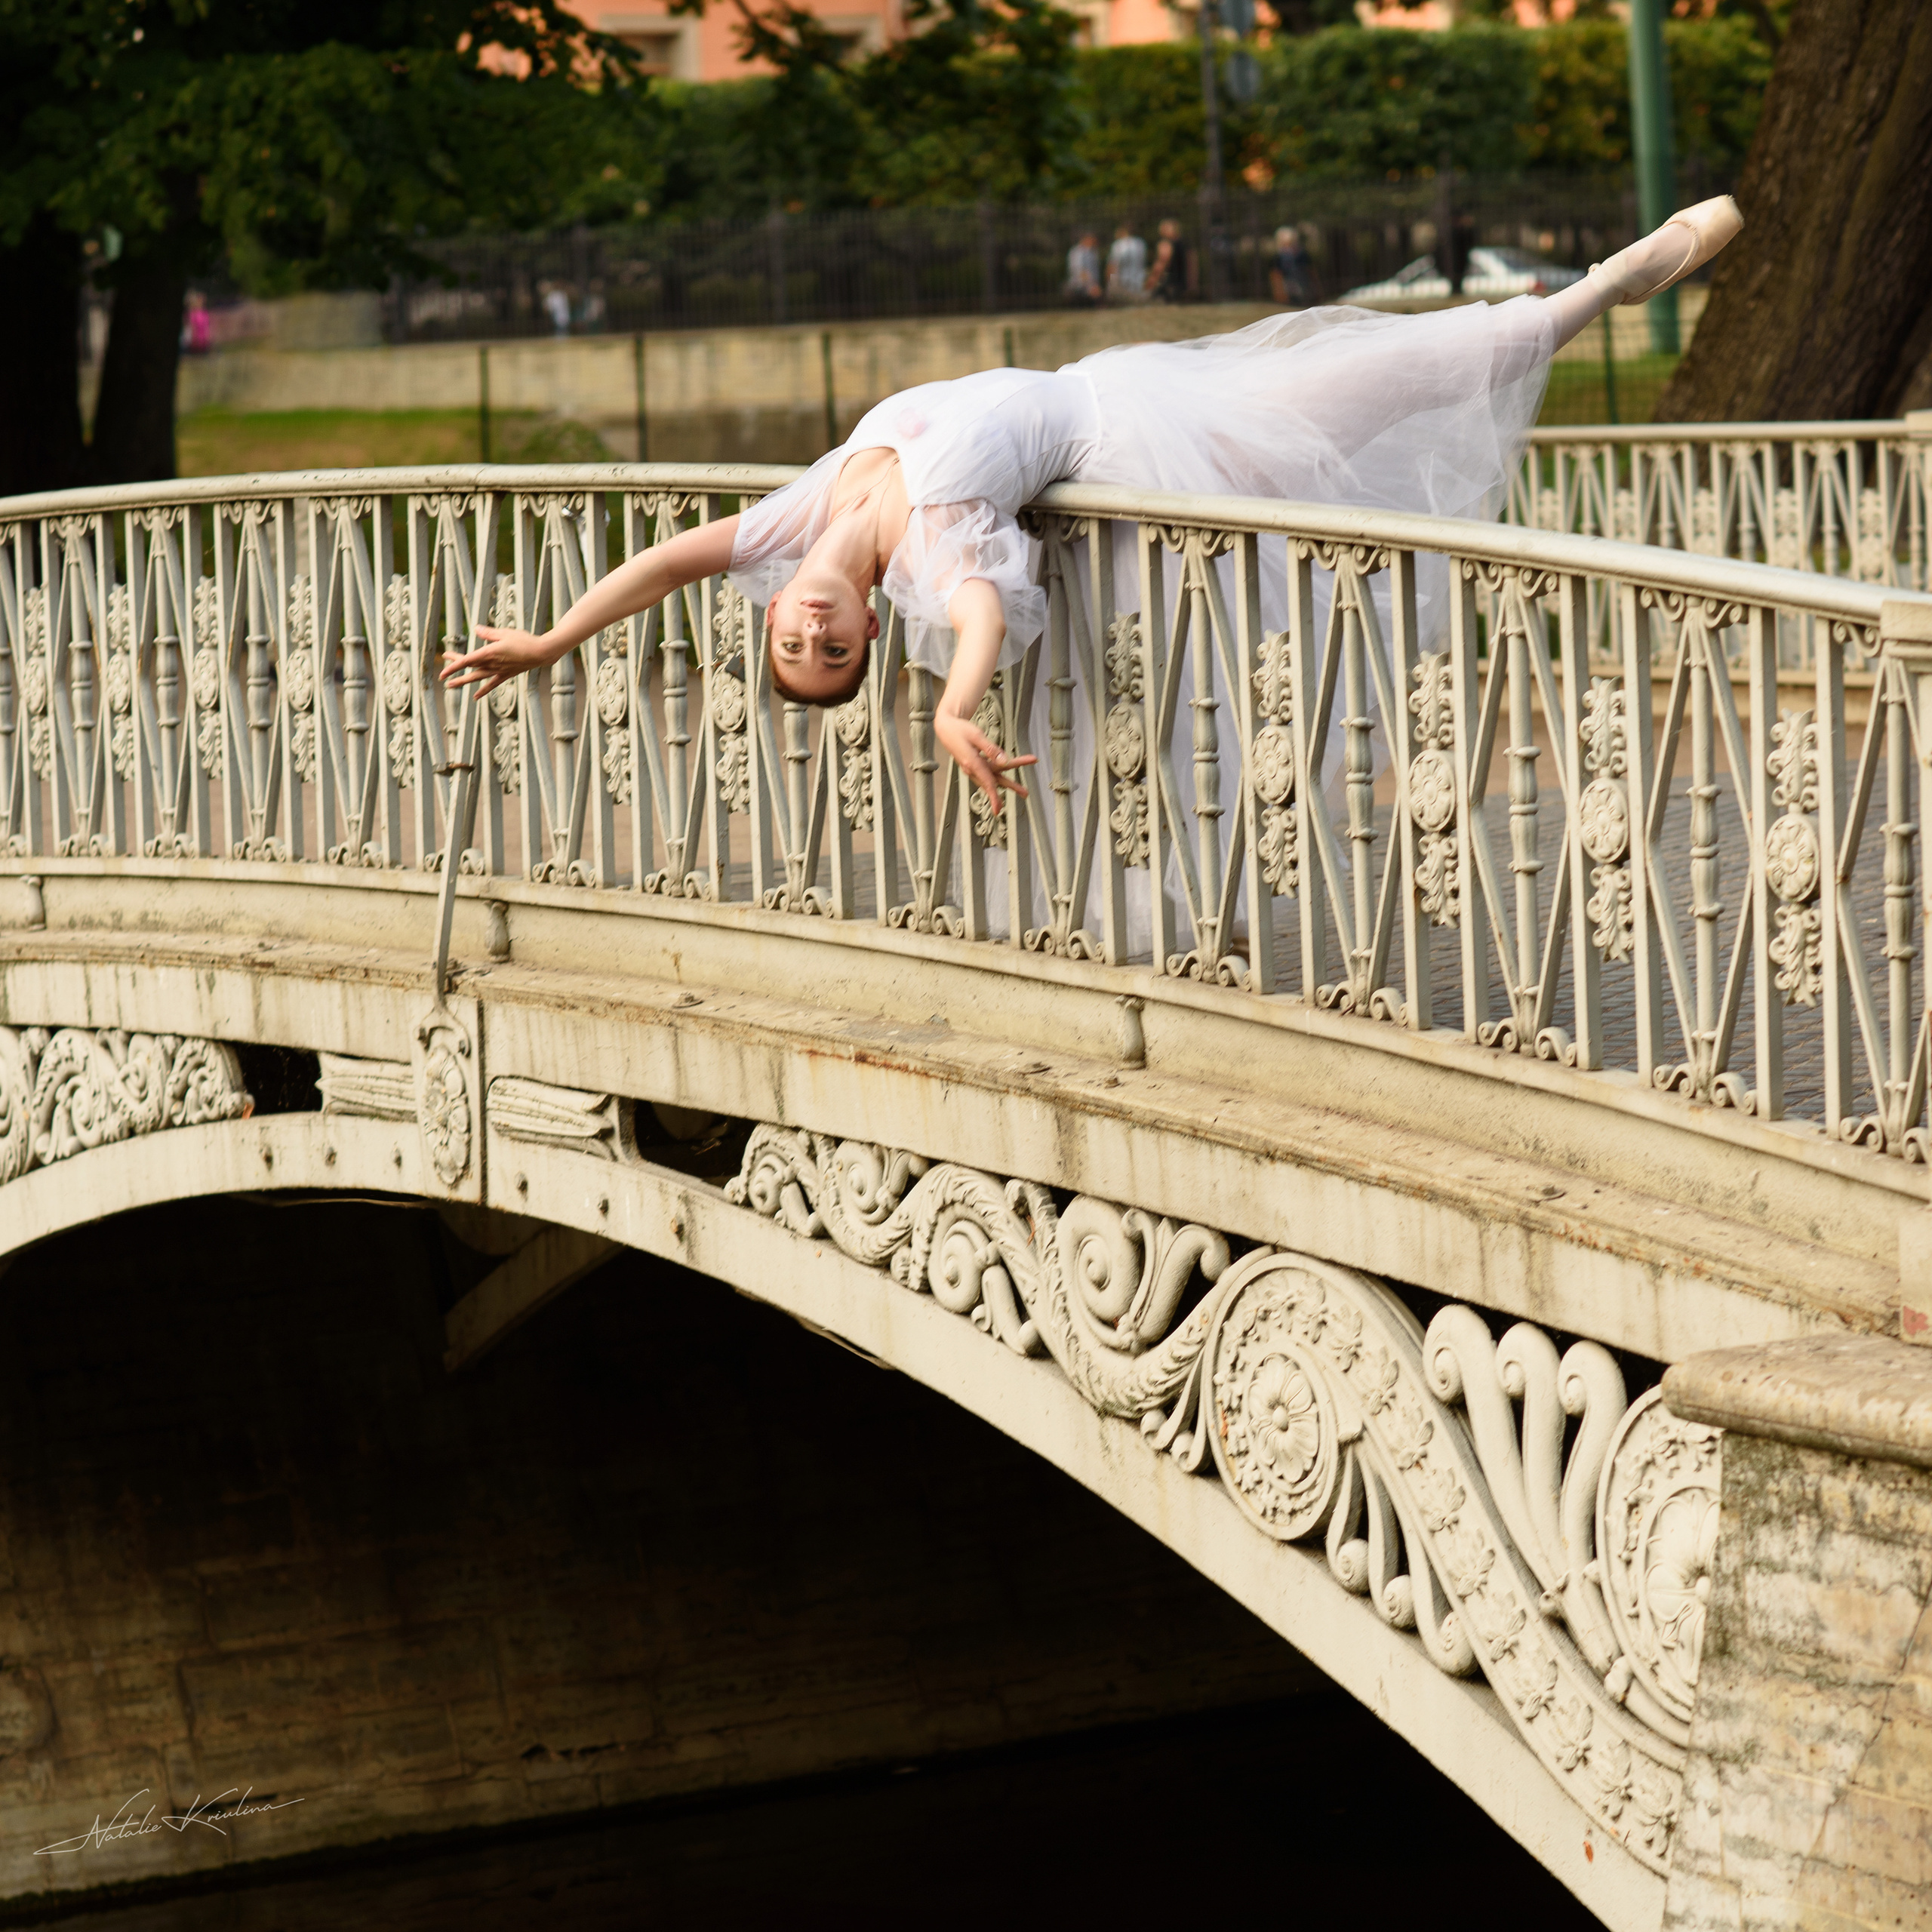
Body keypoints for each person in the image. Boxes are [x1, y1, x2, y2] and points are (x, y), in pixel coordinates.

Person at [444, 198, 1742, 814]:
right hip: (1146, 452)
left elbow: (666, 565)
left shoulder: (798, 518)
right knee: (1384, 388)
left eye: (794, 640)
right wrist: (954, 706)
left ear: (780, 602)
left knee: (1369, 368)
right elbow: (976, 613)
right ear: (860, 638)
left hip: (1119, 387)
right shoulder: (928, 548)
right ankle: (1586, 300)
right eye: (831, 656)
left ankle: (1577, 297)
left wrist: (552, 642)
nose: (814, 637)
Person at [1144, 220, 1192, 303]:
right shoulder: (1186, 244)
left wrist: (1151, 281)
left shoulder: (1165, 244)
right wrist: (1192, 284)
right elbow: (1192, 265)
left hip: (1168, 284)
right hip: (1182, 284)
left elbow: (1161, 264)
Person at [1269, 224, 1315, 307]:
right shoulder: (1280, 255)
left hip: (1300, 277)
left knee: (1301, 294)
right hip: (1288, 278)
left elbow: (1308, 266)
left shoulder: (1300, 253)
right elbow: (1277, 270)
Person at [1106, 224, 1146, 303]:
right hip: (1139, 279)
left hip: (1123, 280)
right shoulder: (1140, 243)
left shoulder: (1118, 245)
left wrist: (1110, 281)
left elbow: (1113, 264)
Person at [1063, 232, 1103, 306]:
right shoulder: (1077, 253)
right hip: (1080, 286)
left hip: (1092, 285)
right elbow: (1080, 271)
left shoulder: (1093, 252)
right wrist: (1091, 286)